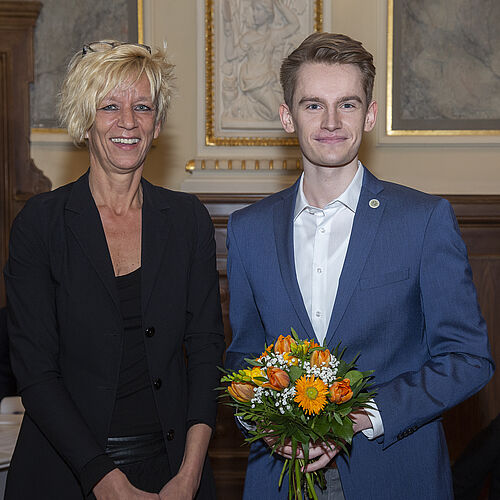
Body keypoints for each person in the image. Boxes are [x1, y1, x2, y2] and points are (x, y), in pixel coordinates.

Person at [224, 32, 494, 499]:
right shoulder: (248, 230)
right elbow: (243, 355)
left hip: (394, 475)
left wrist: (363, 416)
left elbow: (468, 359)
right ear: (287, 117)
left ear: (369, 115)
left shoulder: (423, 221)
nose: (331, 122)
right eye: (312, 106)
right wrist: (262, 419)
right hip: (280, 481)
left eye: (347, 105)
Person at [4, 41, 225, 499]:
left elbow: (206, 354)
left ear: (157, 124)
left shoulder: (187, 220)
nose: (128, 121)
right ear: (85, 121)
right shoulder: (41, 225)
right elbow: (36, 373)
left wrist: (189, 475)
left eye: (142, 107)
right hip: (68, 472)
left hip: (174, 470)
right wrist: (104, 480)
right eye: (110, 106)